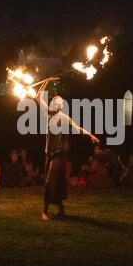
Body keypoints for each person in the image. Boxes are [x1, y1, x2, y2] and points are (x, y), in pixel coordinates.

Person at [36, 79, 99, 221]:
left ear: (61, 106)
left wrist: (90, 135)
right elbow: (38, 97)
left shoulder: (66, 119)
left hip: (59, 155)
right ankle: (61, 210)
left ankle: (44, 211)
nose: (56, 105)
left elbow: (78, 129)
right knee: (56, 184)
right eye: (54, 103)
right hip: (49, 154)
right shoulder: (48, 114)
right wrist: (46, 82)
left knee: (49, 182)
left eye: (58, 104)